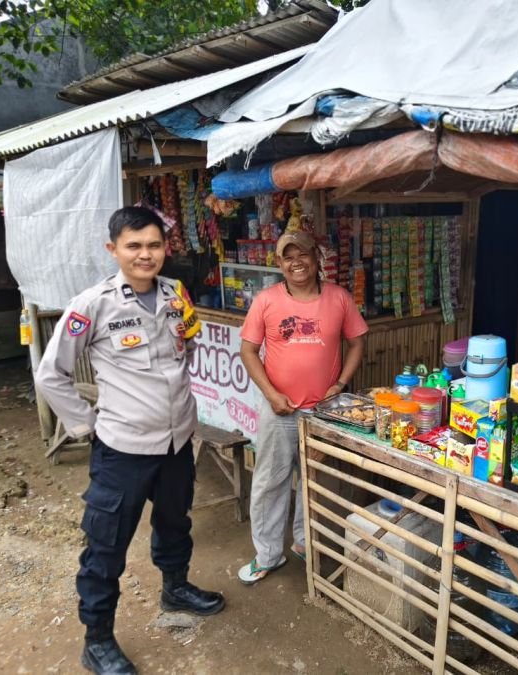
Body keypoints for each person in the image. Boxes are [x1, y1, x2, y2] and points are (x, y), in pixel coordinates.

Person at [35, 206, 224, 675]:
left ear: (165, 248)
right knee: (106, 546)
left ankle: (175, 586)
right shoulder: (92, 305)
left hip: (178, 441)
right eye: (134, 246)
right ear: (113, 249)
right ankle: (97, 639)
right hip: (123, 449)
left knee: (175, 521)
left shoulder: (175, 293)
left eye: (154, 245)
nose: (146, 254)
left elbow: (187, 345)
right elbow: (52, 375)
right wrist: (87, 428)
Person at [238, 230, 368, 584]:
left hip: (324, 414)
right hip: (279, 410)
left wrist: (339, 385)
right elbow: (248, 352)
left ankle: (303, 541)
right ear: (279, 264)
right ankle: (267, 555)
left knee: (317, 480)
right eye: (288, 256)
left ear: (316, 259)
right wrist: (270, 394)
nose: (297, 262)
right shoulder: (266, 301)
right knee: (270, 483)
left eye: (303, 255)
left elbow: (357, 343)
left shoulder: (339, 298)